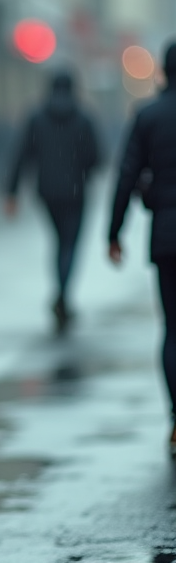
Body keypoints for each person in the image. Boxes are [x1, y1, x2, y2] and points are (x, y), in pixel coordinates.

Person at [107, 41, 176, 455]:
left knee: (173, 330)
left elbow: (127, 173)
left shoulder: (148, 116)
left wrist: (113, 232)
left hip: (167, 234)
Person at [5, 70, 101, 331]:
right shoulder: (83, 118)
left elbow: (21, 155)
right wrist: (80, 169)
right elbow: (97, 157)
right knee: (70, 244)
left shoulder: (36, 118)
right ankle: (63, 293)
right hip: (75, 191)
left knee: (59, 242)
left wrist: (11, 192)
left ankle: (60, 291)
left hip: (47, 191)